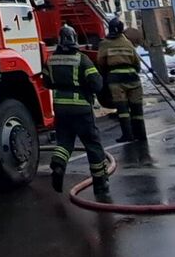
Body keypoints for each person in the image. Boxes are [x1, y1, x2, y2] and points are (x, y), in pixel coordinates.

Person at [43, 25, 110, 200]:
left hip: (60, 108)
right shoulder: (82, 60)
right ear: (74, 39)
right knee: (92, 145)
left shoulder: (51, 60)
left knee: (64, 142)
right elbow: (97, 84)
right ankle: (100, 184)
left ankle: (58, 164)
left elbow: (47, 83)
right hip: (81, 109)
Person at [95, 16, 147, 143]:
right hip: (133, 78)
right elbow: (136, 61)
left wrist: (104, 75)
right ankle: (141, 134)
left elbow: (100, 62)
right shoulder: (127, 42)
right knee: (136, 108)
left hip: (116, 80)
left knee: (122, 108)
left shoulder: (105, 43)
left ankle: (127, 135)